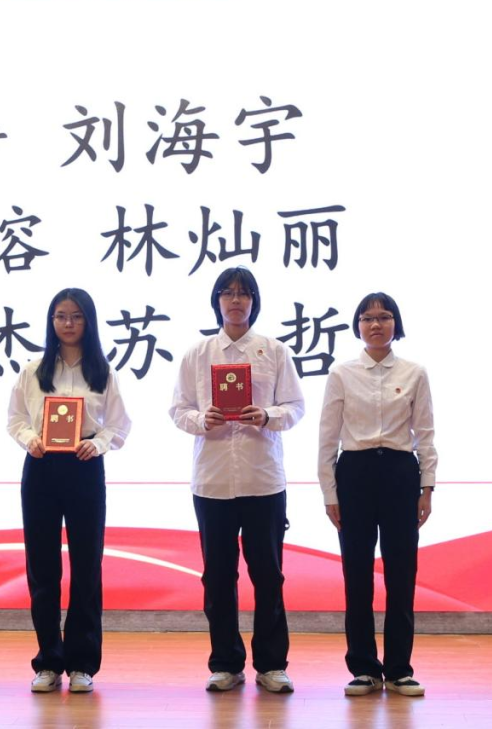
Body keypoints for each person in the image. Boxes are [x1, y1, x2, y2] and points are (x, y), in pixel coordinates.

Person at [169, 266, 304, 694]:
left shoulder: (274, 351)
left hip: (263, 480)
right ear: (217, 301)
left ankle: (272, 664)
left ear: (254, 302)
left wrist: (267, 415)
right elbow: (178, 409)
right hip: (212, 482)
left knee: (269, 576)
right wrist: (200, 420)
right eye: (227, 293)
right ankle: (226, 663)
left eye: (244, 293)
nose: (235, 300)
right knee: (217, 577)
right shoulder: (198, 354)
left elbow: (295, 407)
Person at [7, 288, 131, 694]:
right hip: (42, 467)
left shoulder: (102, 372)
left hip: (84, 467)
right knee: (42, 568)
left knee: (87, 566)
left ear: (88, 322)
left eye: (76, 316)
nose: (68, 323)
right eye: (61, 316)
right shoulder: (33, 370)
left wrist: (100, 443)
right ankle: (48, 661)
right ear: (51, 321)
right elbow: (15, 419)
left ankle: (82, 663)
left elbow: (119, 425)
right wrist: (29, 439)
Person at [317, 292, 437, 698]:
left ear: (395, 324)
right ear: (358, 326)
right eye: (367, 318)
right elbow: (327, 438)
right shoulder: (341, 373)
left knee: (402, 573)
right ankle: (365, 668)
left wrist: (427, 487)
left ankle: (400, 669)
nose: (376, 324)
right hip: (355, 474)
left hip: (400, 474)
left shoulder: (415, 372)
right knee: (356, 574)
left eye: (384, 317)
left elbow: (425, 434)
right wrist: (329, 492)